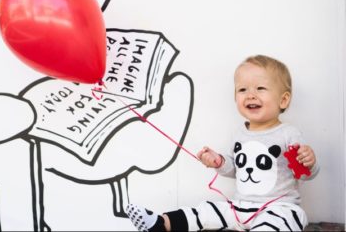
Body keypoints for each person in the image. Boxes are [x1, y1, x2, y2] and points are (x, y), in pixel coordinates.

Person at [125, 54, 319, 231]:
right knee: (207, 210)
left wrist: (309, 162)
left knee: (275, 224)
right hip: (240, 207)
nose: (250, 95)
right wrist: (218, 161)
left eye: (260, 88)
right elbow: (236, 169)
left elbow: (305, 174)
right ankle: (161, 223)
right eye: (242, 89)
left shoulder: (288, 134)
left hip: (280, 208)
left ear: (283, 100)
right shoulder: (240, 134)